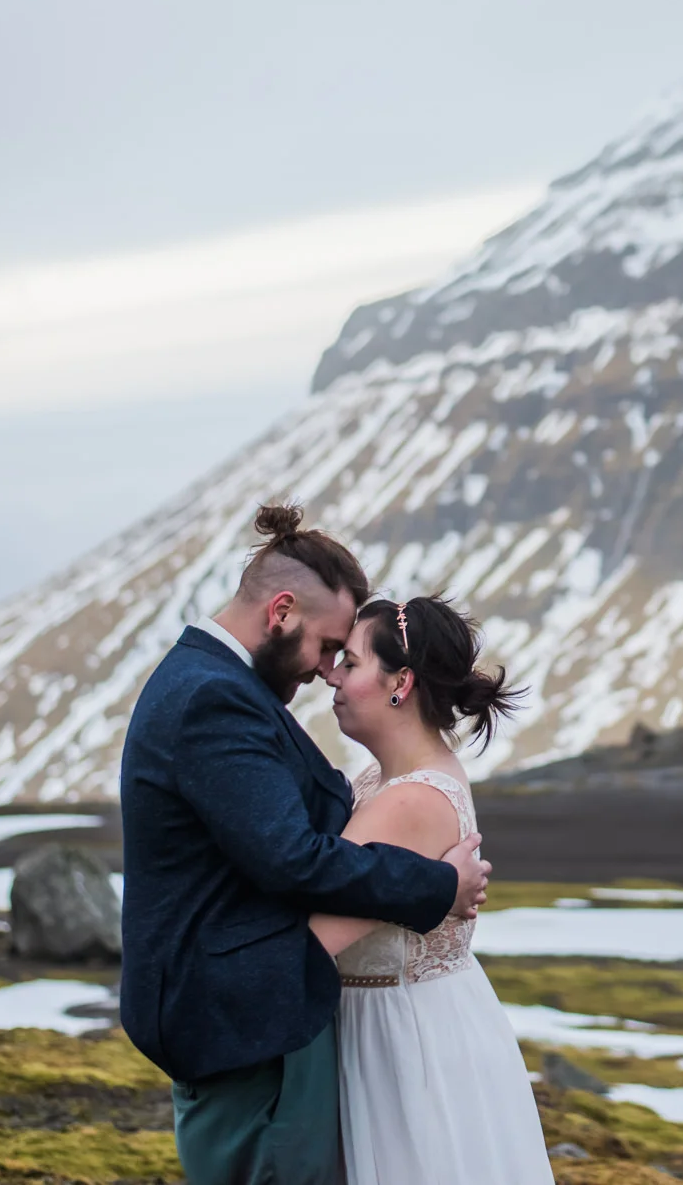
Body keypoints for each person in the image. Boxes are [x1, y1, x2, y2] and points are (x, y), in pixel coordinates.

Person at [118, 505, 492, 1185]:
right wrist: (439, 885)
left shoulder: (219, 684)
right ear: (281, 612)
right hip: (238, 1023)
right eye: (327, 648)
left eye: (345, 658)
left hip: (269, 1026)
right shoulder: (214, 696)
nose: (326, 672)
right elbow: (290, 857)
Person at [312, 591, 553, 1184]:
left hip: (401, 1040)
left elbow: (311, 939)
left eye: (351, 662)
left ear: (401, 682)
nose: (332, 677)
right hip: (421, 1023)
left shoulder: (411, 801)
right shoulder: (386, 778)